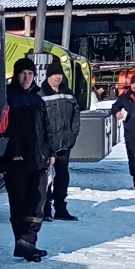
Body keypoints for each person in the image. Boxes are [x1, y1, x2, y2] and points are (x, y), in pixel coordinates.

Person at [2, 56, 53, 262]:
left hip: (38, 160)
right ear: (16, 74)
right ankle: (23, 244)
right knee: (20, 204)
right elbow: (6, 130)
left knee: (37, 202)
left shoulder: (37, 99)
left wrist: (51, 152)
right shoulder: (8, 98)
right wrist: (14, 152)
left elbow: (46, 128)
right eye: (22, 73)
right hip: (16, 161)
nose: (26, 77)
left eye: (30, 74)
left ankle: (28, 242)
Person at [41, 63, 81, 221]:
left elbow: (76, 114)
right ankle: (45, 209)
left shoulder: (68, 93)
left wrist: (73, 133)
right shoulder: (40, 94)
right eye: (54, 74)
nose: (58, 77)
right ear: (48, 76)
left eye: (60, 74)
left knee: (62, 177)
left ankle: (60, 209)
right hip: (47, 145)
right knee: (46, 178)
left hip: (65, 143)